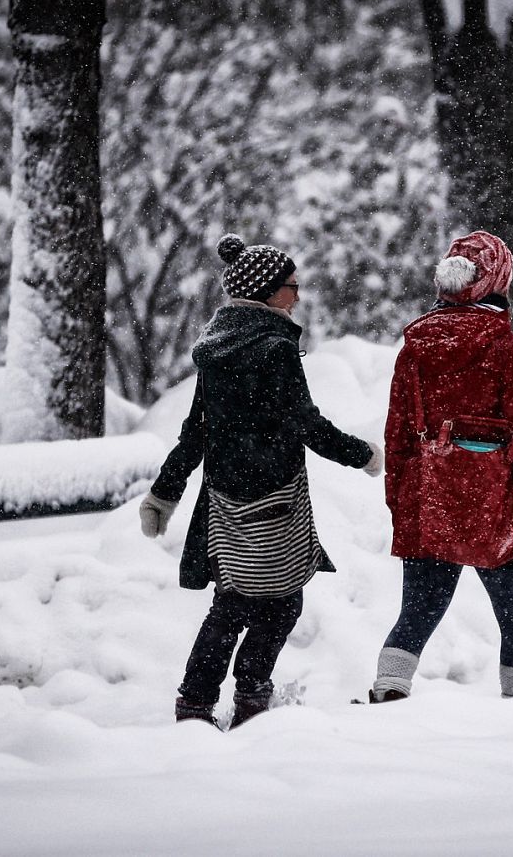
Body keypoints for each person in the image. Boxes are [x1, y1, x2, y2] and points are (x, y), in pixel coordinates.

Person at [140, 233, 380, 729]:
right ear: (268, 291)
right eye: (292, 286)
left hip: (226, 500)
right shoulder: (274, 348)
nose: (298, 295)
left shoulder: (218, 349)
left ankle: (197, 703)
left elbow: (194, 432)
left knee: (232, 603)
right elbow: (306, 424)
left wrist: (165, 492)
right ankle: (248, 698)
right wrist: (365, 456)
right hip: (276, 497)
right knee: (281, 601)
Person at [368, 231, 513, 703]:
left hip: (429, 497)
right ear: (497, 279)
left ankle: (387, 694)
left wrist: (403, 505)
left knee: (417, 612)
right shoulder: (508, 350)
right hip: (495, 504)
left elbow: (397, 438)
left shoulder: (415, 348)